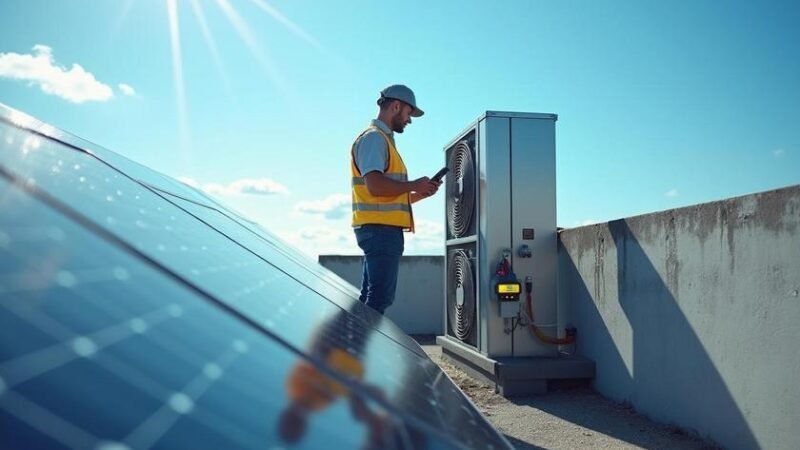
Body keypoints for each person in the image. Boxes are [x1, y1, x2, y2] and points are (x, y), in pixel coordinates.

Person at [350, 84, 440, 315]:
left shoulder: (381, 140)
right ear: (396, 106)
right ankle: (357, 349)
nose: (409, 120)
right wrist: (413, 184)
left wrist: (421, 192)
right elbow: (375, 186)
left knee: (370, 296)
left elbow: (389, 197)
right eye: (409, 113)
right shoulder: (374, 139)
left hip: (379, 230)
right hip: (380, 232)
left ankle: (353, 347)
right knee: (379, 298)